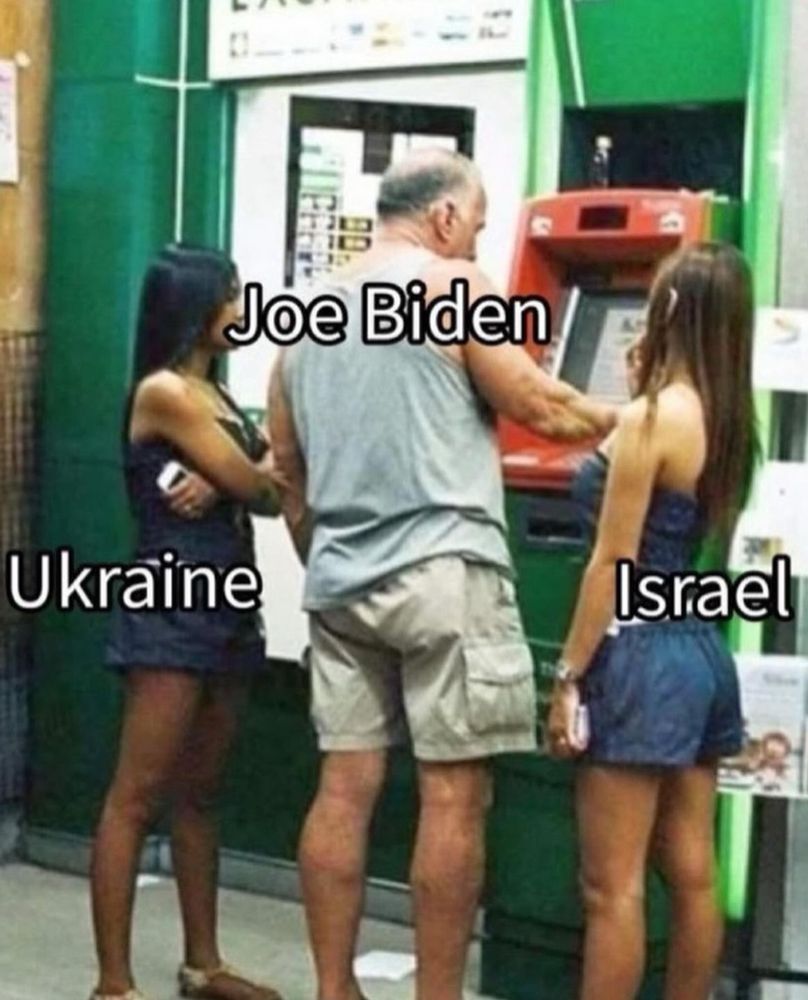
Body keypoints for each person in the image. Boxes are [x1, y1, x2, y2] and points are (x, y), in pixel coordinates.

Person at [268, 149, 617, 1000]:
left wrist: (331, 560)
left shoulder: (304, 317)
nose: (480, 244)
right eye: (480, 226)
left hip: (341, 582)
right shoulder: (450, 287)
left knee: (343, 790)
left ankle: (333, 990)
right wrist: (646, 415)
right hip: (444, 575)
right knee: (454, 799)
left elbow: (287, 473)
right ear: (445, 216)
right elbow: (542, 405)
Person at [548, 243, 759, 1000]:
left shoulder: (650, 420)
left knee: (612, 886)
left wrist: (567, 677)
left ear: (669, 309)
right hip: (699, 652)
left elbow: (612, 564)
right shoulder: (730, 422)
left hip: (636, 658)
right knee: (694, 873)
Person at [91, 246, 283, 1000]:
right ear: (197, 305)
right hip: (173, 605)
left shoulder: (217, 394)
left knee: (200, 792)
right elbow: (262, 484)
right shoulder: (165, 391)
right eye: (231, 295)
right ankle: (114, 983)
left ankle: (204, 964)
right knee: (135, 795)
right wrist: (236, 475)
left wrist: (231, 476)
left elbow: (273, 485)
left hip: (227, 601)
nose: (241, 308)